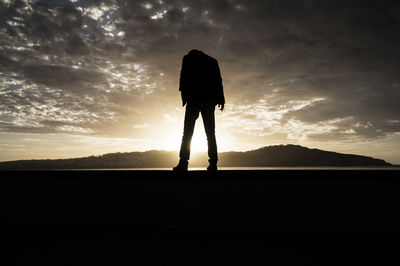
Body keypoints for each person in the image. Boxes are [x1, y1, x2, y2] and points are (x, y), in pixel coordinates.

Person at [173, 49, 225, 172]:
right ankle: (213, 163)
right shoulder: (213, 61)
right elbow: (218, 82)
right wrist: (221, 99)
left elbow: (183, 77)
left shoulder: (187, 59)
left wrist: (184, 97)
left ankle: (183, 162)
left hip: (193, 100)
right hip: (208, 101)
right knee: (210, 134)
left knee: (187, 134)